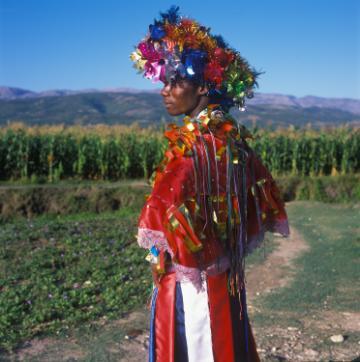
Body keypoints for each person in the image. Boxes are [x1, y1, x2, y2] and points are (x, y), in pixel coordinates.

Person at [130, 6, 290, 362]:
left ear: (203, 85)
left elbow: (159, 210)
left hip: (191, 284)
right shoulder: (234, 141)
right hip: (227, 275)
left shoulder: (191, 149)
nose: (165, 91)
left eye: (175, 82)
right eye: (165, 81)